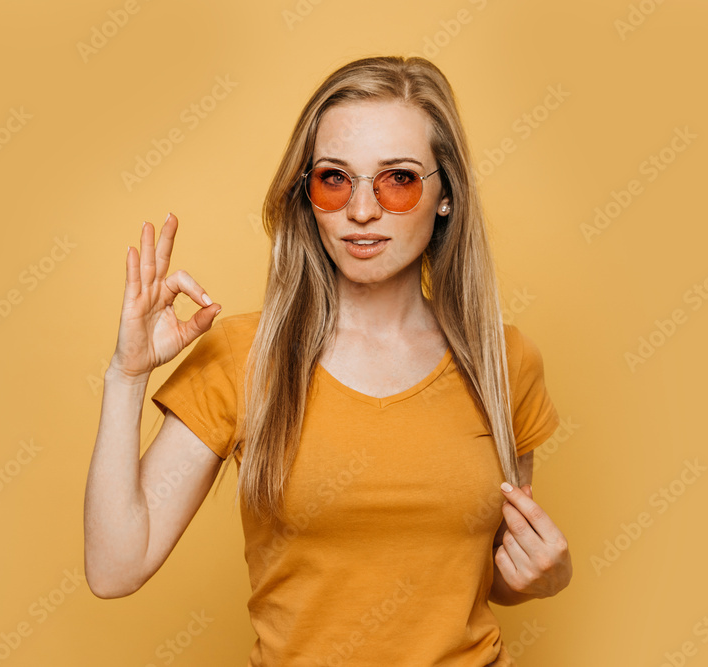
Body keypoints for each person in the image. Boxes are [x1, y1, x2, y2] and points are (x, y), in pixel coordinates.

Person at [83, 55, 572, 666]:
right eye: (335, 179)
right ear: (305, 194)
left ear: (445, 194)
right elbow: (114, 568)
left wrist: (546, 578)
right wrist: (126, 375)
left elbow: (488, 576)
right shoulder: (243, 357)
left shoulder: (504, 361)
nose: (361, 211)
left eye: (398, 179)